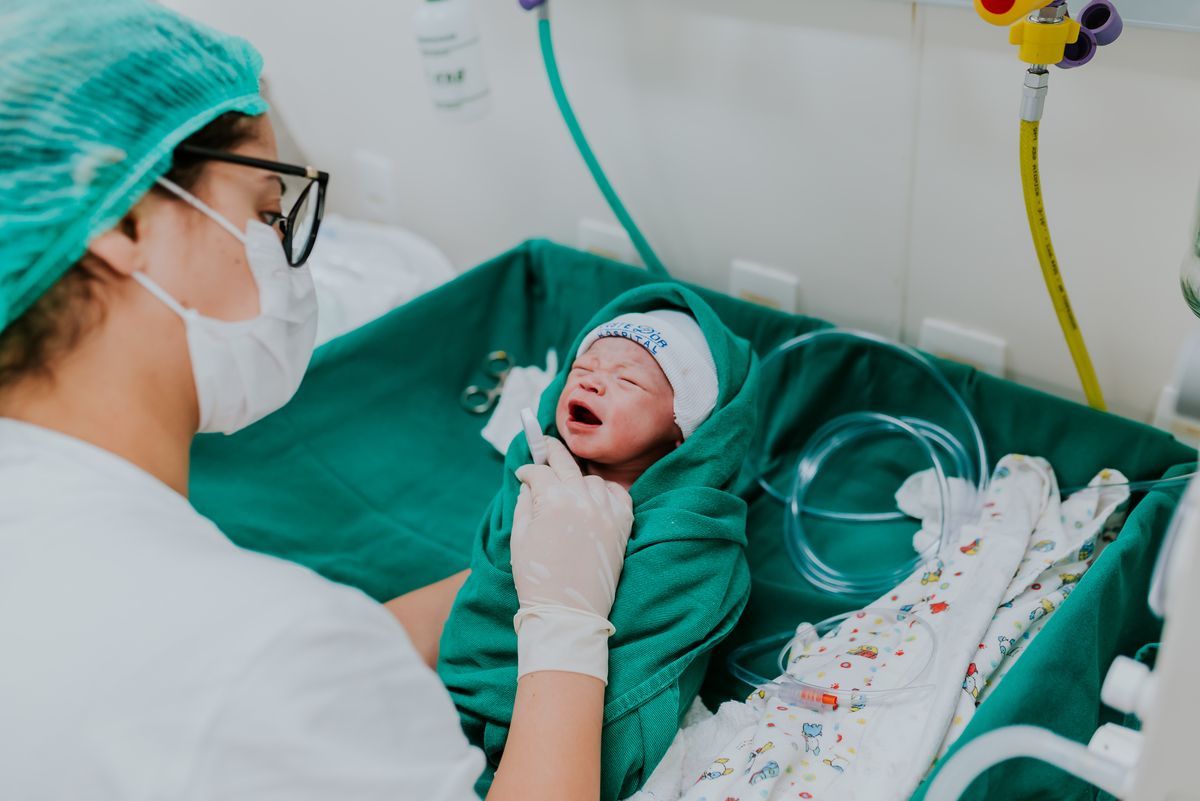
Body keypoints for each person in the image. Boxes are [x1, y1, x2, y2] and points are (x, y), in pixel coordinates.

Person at [0, 1, 633, 799]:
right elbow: (277, 675)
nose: (284, 263)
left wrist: (514, 575)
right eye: (264, 213)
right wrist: (568, 628)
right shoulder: (254, 646)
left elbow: (311, 681)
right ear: (125, 222)